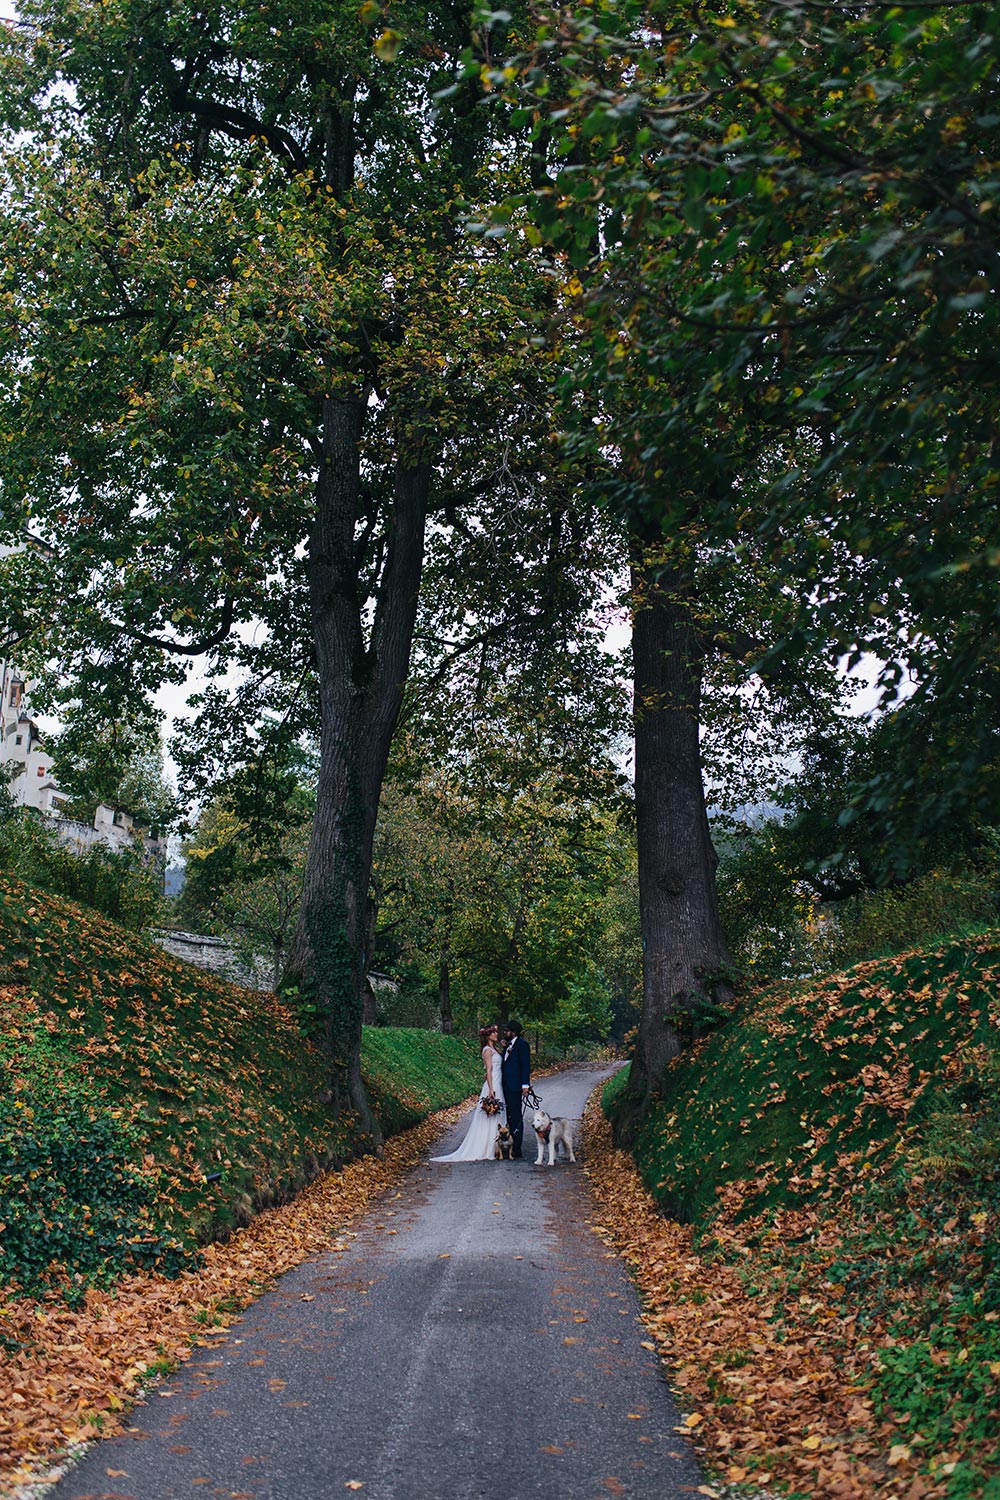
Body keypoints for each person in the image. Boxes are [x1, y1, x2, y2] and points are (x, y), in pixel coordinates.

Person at [429, 1024, 505, 1163]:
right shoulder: (487, 1050)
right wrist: (490, 1088)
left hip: (498, 1081)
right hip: (493, 1083)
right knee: (489, 1116)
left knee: (497, 1115)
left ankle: (496, 1146)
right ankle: (487, 1147)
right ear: (488, 1035)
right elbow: (488, 1070)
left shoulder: (495, 1048)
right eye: (493, 1032)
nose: (496, 1034)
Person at [500, 1019, 531, 1160]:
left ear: (514, 1032)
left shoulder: (523, 1045)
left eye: (507, 1030)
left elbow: (525, 1066)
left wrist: (525, 1085)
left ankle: (517, 1148)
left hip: (515, 1086)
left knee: (516, 1116)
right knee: (507, 1116)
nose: (505, 1032)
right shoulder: (507, 1046)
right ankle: (507, 1146)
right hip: (504, 1085)